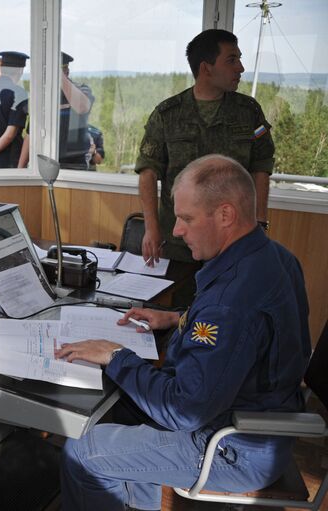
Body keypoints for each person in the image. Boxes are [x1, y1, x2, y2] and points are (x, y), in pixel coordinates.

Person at [55, 154, 311, 511]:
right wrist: (177, 319)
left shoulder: (229, 303)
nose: (175, 230)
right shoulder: (276, 258)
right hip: (262, 425)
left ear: (225, 215)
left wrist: (115, 355)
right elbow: (250, 333)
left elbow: (184, 410)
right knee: (117, 411)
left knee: (83, 452)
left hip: (232, 446)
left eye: (186, 218)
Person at [136, 29, 275, 266]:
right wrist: (151, 228)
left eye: (239, 59)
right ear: (206, 68)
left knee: (231, 301)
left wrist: (259, 221)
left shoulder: (249, 112)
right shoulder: (167, 114)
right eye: (232, 60)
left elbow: (261, 166)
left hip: (232, 241)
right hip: (181, 241)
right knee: (176, 302)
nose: (240, 67)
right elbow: (148, 172)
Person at [58, 52, 95, 170]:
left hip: (73, 162)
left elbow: (82, 107)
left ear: (66, 72)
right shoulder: (45, 94)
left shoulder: (81, 89)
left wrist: (59, 76)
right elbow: (30, 132)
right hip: (47, 160)